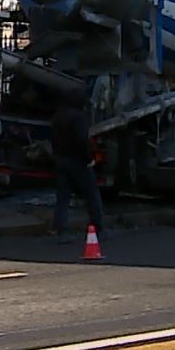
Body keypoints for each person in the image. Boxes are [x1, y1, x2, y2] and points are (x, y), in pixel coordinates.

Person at [48, 86, 104, 243]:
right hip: (78, 161)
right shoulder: (78, 117)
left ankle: (62, 231)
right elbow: (82, 141)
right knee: (91, 195)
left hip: (60, 159)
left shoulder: (58, 116)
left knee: (63, 198)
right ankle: (98, 228)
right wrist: (89, 159)